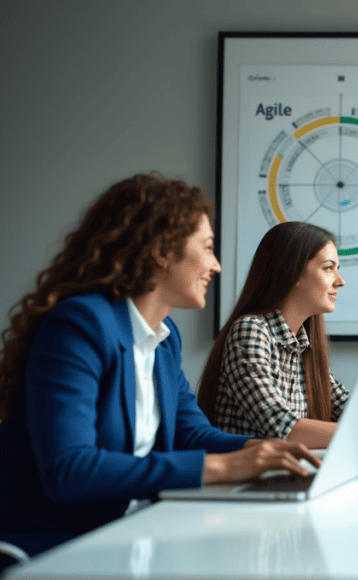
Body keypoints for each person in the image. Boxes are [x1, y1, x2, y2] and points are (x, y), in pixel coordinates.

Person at [0, 174, 317, 557]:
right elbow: (70, 470)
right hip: (61, 546)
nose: (215, 266)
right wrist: (222, 468)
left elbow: (193, 434)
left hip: (136, 530)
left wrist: (262, 450)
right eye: (208, 248)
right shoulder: (79, 326)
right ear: (161, 251)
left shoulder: (164, 338)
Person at [197, 221, 358, 447]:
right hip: (247, 481)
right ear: (293, 272)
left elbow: (348, 409)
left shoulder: (303, 344)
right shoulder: (250, 330)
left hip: (285, 475)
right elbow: (281, 426)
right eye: (328, 268)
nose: (340, 281)